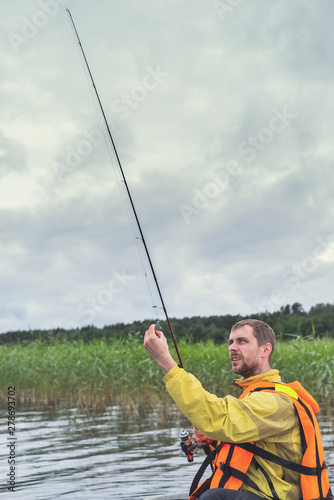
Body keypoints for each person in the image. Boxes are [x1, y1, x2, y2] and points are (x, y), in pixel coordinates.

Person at [144, 319, 333, 500]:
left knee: (215, 497)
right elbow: (247, 448)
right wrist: (213, 440)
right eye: (231, 342)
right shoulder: (254, 395)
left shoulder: (276, 401)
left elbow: (221, 417)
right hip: (253, 494)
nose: (232, 347)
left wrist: (165, 360)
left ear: (265, 349)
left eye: (242, 341)